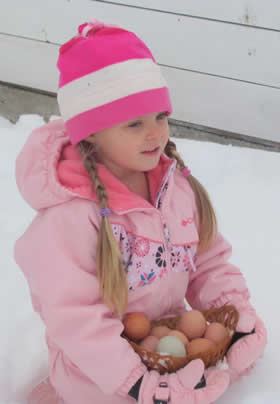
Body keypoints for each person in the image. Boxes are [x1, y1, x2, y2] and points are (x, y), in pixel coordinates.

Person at [14, 19, 267, 404]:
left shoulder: (174, 188)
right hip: (100, 377)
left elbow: (209, 262)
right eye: (134, 123)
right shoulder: (71, 218)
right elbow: (76, 321)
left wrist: (233, 317)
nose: (155, 134)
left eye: (161, 117)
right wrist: (136, 383)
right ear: (91, 132)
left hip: (167, 357)